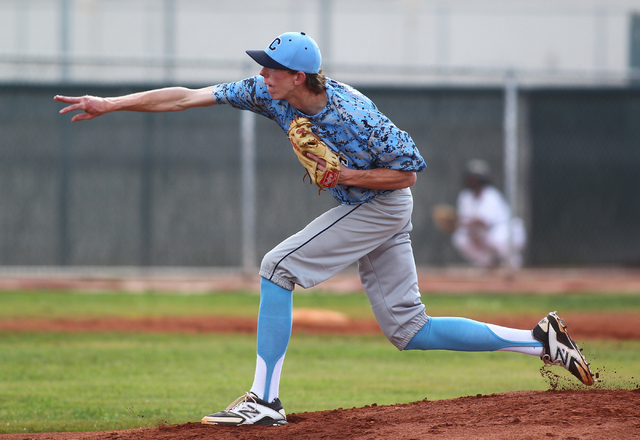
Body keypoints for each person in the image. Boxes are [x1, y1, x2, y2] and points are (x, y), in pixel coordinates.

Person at [55, 32, 594, 427]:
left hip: (382, 204)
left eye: (272, 68)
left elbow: (410, 170)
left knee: (276, 266)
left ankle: (264, 402)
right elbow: (187, 94)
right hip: (371, 207)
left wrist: (345, 174)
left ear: (299, 77)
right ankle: (539, 341)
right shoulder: (269, 93)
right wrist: (111, 104)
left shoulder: (355, 114)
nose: (262, 73)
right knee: (410, 330)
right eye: (264, 67)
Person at [452, 159, 527, 269]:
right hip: (483, 232)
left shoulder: (491, 195)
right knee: (460, 238)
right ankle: (486, 261)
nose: (473, 181)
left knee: (495, 238)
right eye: (470, 177)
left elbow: (483, 222)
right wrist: (460, 224)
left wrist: (458, 222)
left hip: (507, 231)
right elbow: (468, 222)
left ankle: (513, 263)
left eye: (475, 178)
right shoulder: (465, 197)